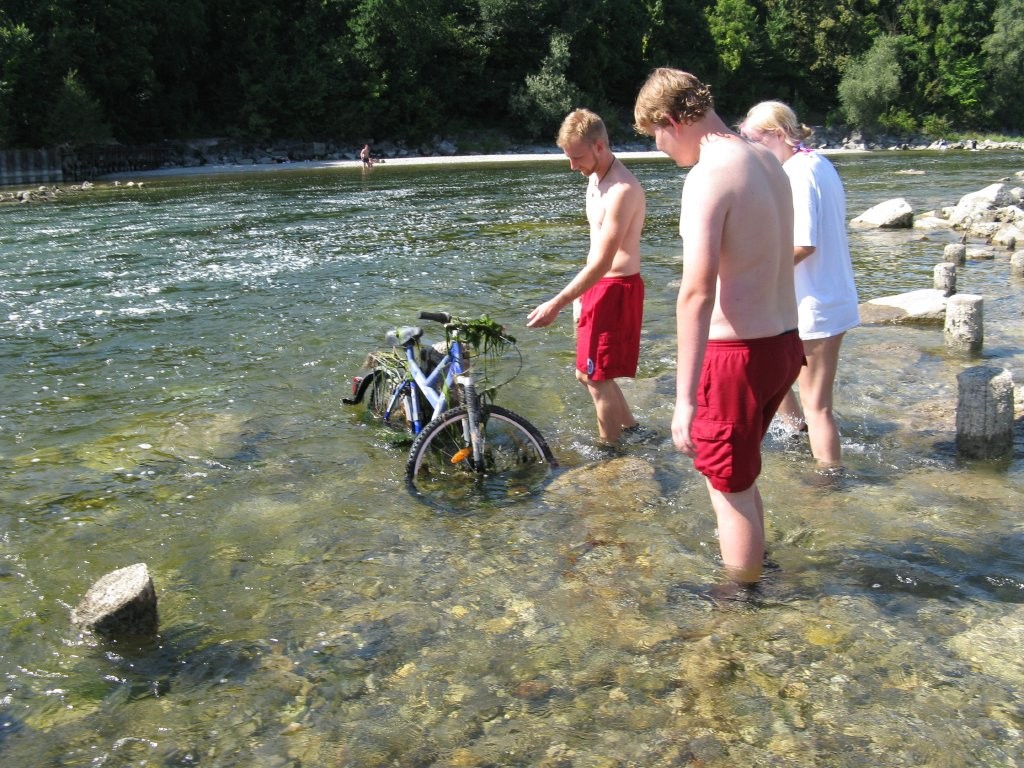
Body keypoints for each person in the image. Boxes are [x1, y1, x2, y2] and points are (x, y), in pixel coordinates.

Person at [633, 69, 803, 585]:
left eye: (656, 137)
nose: (661, 150)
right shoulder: (767, 161)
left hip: (740, 356)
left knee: (725, 487)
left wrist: (684, 400)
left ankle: (738, 607)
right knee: (742, 475)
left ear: (669, 120)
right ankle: (758, 567)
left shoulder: (709, 173)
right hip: (784, 345)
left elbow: (696, 291)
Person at [738, 101, 860, 468]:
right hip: (820, 299)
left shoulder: (798, 174)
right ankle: (797, 434)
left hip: (816, 305)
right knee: (775, 378)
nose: (751, 150)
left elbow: (804, 244)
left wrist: (755, 274)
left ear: (777, 135)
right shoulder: (818, 162)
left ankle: (828, 481)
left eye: (753, 140)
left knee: (818, 406)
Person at [527, 108, 647, 446]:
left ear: (599, 147)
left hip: (615, 286)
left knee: (596, 377)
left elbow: (605, 260)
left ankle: (609, 452)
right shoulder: (595, 179)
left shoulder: (622, 189)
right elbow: (595, 252)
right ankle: (635, 431)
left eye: (577, 157)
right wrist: (581, 296)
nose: (571, 166)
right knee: (587, 373)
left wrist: (557, 302)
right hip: (597, 286)